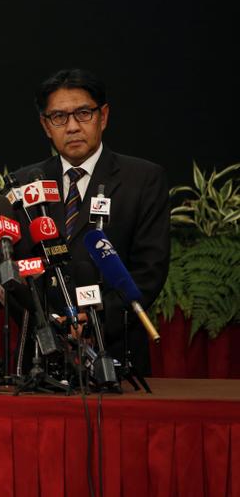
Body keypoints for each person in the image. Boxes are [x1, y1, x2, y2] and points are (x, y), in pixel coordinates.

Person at [13, 68, 170, 375]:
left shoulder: (142, 180)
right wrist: (50, 324)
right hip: (43, 356)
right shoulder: (25, 183)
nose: (72, 127)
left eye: (83, 113)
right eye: (58, 117)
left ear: (104, 116)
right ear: (46, 126)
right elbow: (16, 267)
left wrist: (97, 319)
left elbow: (150, 269)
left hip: (117, 350)